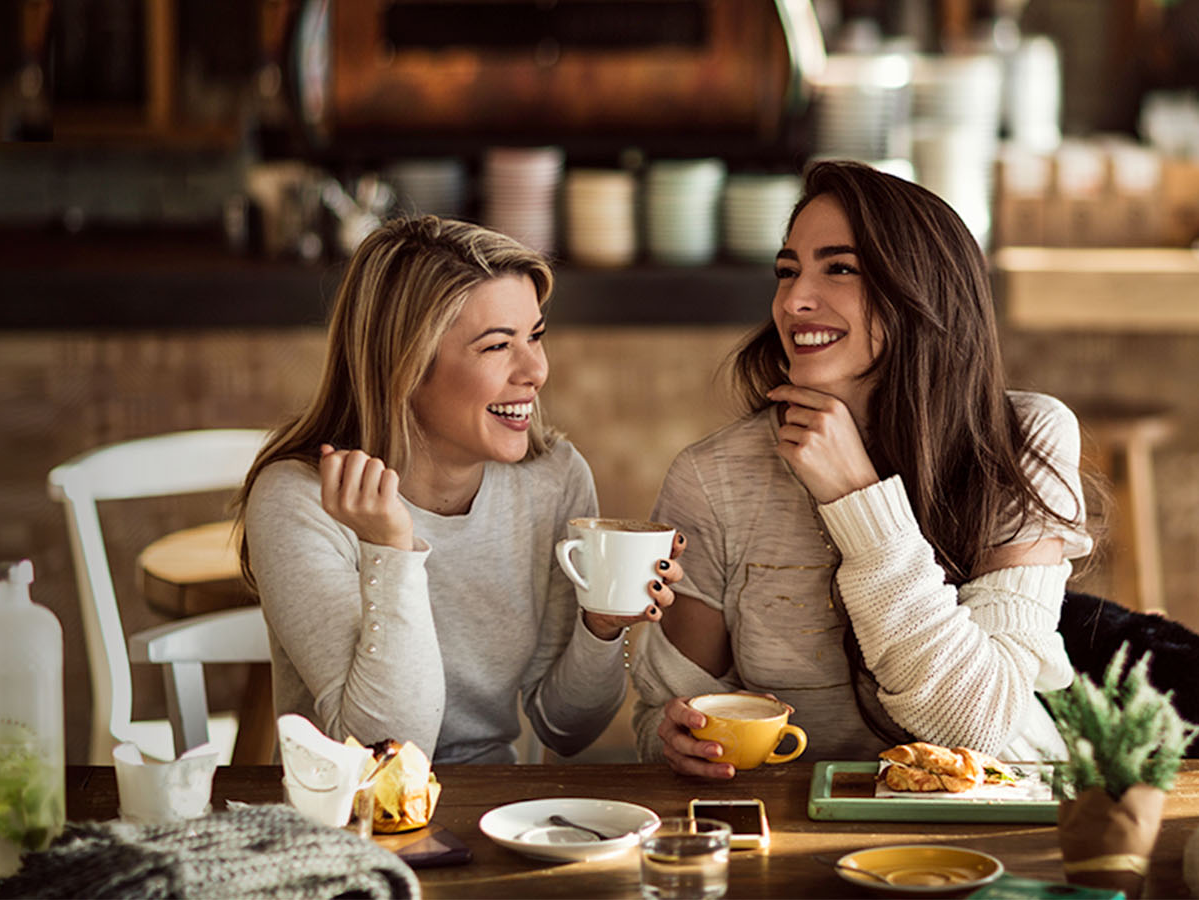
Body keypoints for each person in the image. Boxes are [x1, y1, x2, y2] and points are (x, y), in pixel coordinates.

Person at [632, 161, 1094, 779]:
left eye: (840, 268)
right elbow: (663, 717)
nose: (794, 300)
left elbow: (978, 724)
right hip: (794, 824)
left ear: (921, 291)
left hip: (998, 819)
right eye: (788, 271)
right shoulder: (713, 478)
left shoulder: (1022, 441)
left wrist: (858, 498)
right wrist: (675, 738)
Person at [238, 216, 680, 764]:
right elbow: (389, 751)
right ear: (404, 364)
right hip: (350, 821)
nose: (536, 370)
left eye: (535, 336)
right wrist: (390, 551)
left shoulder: (553, 479)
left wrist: (601, 627)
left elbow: (568, 729)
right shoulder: (303, 499)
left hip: (495, 814)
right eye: (497, 346)